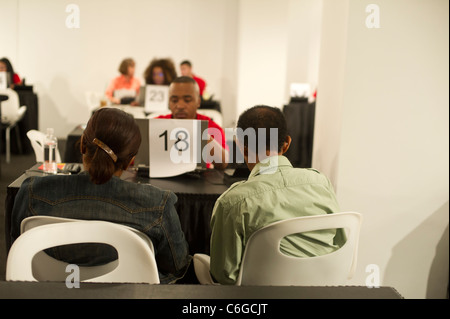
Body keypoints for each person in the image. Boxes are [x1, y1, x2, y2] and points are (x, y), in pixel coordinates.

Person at [10, 107, 192, 284]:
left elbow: (17, 253)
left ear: (82, 145)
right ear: (131, 161)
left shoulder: (32, 192)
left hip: (49, 291)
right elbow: (178, 265)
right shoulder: (158, 204)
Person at [209, 105, 344, 285]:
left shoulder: (233, 202)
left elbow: (225, 274)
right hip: (323, 288)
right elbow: (339, 242)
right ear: (286, 143)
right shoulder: (321, 183)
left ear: (242, 146)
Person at [155, 76, 228, 170]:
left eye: (187, 100)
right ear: (169, 102)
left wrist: (200, 133)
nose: (180, 106)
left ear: (198, 102)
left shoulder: (212, 127)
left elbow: (223, 163)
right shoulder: (156, 124)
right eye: (174, 100)